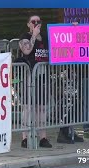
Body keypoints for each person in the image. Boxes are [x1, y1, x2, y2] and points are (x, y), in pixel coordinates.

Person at [16, 15, 52, 148]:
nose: (36, 23)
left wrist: (73, 28)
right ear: (28, 24)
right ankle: (25, 137)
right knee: (28, 107)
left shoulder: (45, 37)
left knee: (41, 108)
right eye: (33, 21)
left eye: (38, 21)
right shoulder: (25, 37)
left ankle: (42, 137)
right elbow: (26, 50)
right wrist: (33, 36)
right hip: (28, 75)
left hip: (42, 75)